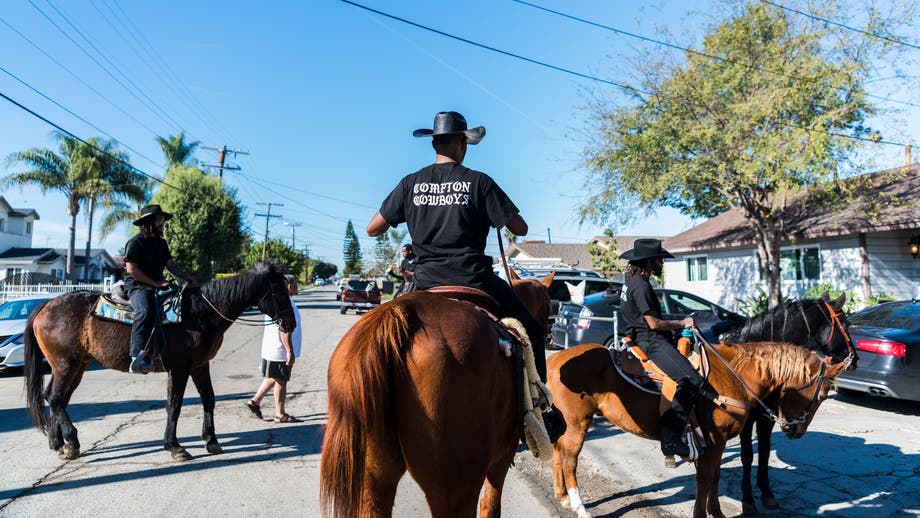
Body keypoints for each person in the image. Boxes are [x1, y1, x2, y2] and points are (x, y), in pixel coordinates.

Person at [366, 110, 549, 380]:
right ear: (462, 144)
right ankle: (543, 406)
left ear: (433, 143)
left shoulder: (410, 183)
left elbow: (373, 229)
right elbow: (520, 228)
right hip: (475, 279)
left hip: (425, 281)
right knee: (531, 329)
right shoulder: (480, 182)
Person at [619, 238, 703, 459]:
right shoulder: (642, 285)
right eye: (659, 260)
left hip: (640, 336)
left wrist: (676, 322)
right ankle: (671, 439)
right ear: (649, 261)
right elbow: (653, 324)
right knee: (691, 380)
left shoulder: (630, 282)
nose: (661, 264)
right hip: (651, 341)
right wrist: (683, 324)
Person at [124, 205, 197, 374]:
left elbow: (171, 265)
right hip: (138, 286)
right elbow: (132, 270)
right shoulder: (135, 243)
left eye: (162, 219)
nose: (162, 223)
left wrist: (187, 277)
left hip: (158, 283)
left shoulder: (161, 243)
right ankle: (136, 357)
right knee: (145, 311)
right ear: (149, 222)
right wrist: (155, 284)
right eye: (159, 219)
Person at [245, 274, 303, 423]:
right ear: (289, 286)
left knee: (273, 377)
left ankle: (254, 402)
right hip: (280, 350)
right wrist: (289, 351)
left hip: (273, 349)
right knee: (281, 381)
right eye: (296, 283)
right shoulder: (283, 304)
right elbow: (284, 329)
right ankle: (280, 414)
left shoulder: (279, 301)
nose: (298, 286)